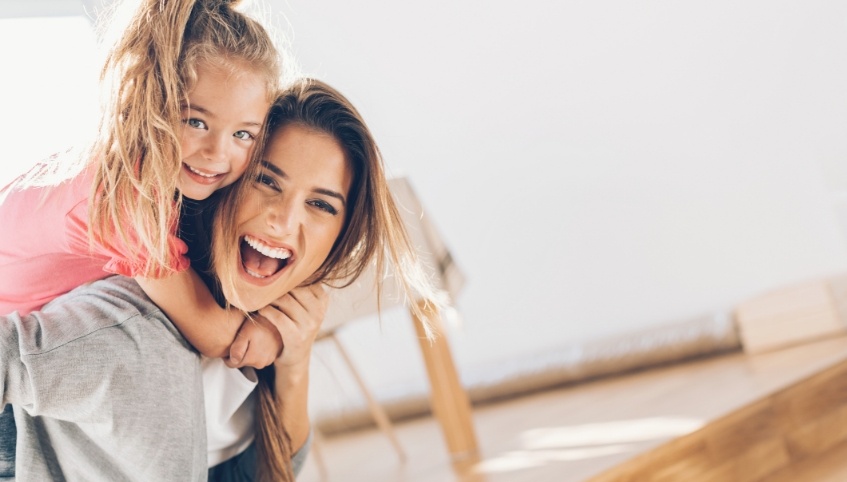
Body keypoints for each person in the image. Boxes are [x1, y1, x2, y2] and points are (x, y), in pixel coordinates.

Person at [0, 78, 443, 481]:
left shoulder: (260, 326)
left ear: (340, 237)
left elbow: (263, 474)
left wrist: (293, 364)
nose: (284, 222)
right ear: (221, 182)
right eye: (266, 181)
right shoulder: (130, 324)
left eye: (321, 205)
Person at [0, 0, 287, 477]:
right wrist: (276, 330)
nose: (217, 152)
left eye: (243, 134)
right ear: (151, 101)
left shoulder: (129, 168)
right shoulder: (127, 197)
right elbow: (213, 334)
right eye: (195, 121)